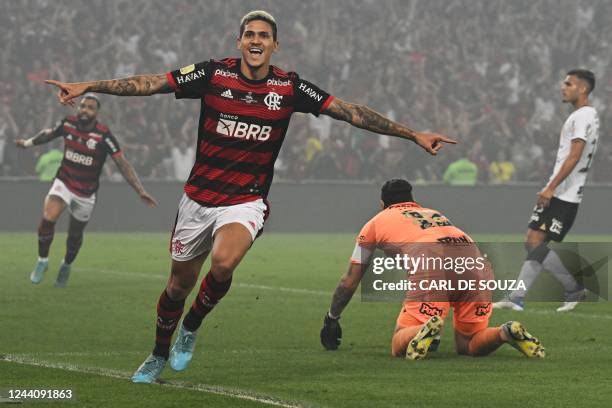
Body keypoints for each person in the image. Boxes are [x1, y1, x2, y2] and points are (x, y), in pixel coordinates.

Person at [44, 10, 456, 383]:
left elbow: (350, 112)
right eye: (249, 34)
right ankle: (157, 353)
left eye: (264, 35)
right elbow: (151, 83)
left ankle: (192, 327)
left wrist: (412, 133)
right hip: (198, 199)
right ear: (239, 41)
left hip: (246, 199)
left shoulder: (289, 87)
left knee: (223, 263)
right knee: (176, 287)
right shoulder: (212, 75)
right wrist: (91, 85)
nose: (256, 40)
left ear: (275, 45)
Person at [320, 179, 545, 360]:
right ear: (413, 201)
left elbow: (349, 280)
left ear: (382, 204)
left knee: (399, 342)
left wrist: (332, 318)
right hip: (476, 265)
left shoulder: (374, 224)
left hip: (431, 266)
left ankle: (423, 330)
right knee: (468, 344)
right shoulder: (433, 214)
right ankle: (505, 332)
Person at [15, 94, 157, 287]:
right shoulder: (68, 124)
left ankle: (66, 265)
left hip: (86, 192)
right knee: (48, 217)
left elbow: (122, 163)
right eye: (82, 106)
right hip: (64, 181)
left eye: (90, 107)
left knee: (74, 235)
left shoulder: (104, 135)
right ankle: (42, 261)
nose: (84, 110)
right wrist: (27, 143)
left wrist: (140, 190)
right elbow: (47, 134)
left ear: (97, 113)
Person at [493, 69, 599, 313]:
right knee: (534, 242)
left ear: (582, 89)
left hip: (564, 194)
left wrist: (551, 187)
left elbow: (575, 155)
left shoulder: (582, 116)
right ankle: (517, 296)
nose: (563, 87)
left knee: (533, 242)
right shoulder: (584, 115)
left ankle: (573, 289)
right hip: (561, 191)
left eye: (568, 84)